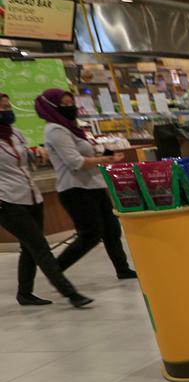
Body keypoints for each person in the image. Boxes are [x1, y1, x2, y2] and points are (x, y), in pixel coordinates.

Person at [0, 94, 92, 308]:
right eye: (2, 108)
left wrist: (37, 155)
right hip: (7, 200)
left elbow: (23, 161)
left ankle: (24, 293)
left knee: (29, 247)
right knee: (40, 247)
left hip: (31, 195)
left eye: (7, 106)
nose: (7, 111)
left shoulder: (17, 135)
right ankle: (71, 294)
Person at [37, 88, 137, 280]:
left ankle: (122, 269)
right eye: (63, 104)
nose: (69, 107)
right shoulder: (55, 130)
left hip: (93, 185)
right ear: (51, 107)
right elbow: (76, 162)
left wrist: (108, 156)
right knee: (90, 234)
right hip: (76, 189)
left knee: (112, 230)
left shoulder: (71, 127)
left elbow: (87, 155)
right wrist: (104, 161)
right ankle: (55, 271)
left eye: (70, 103)